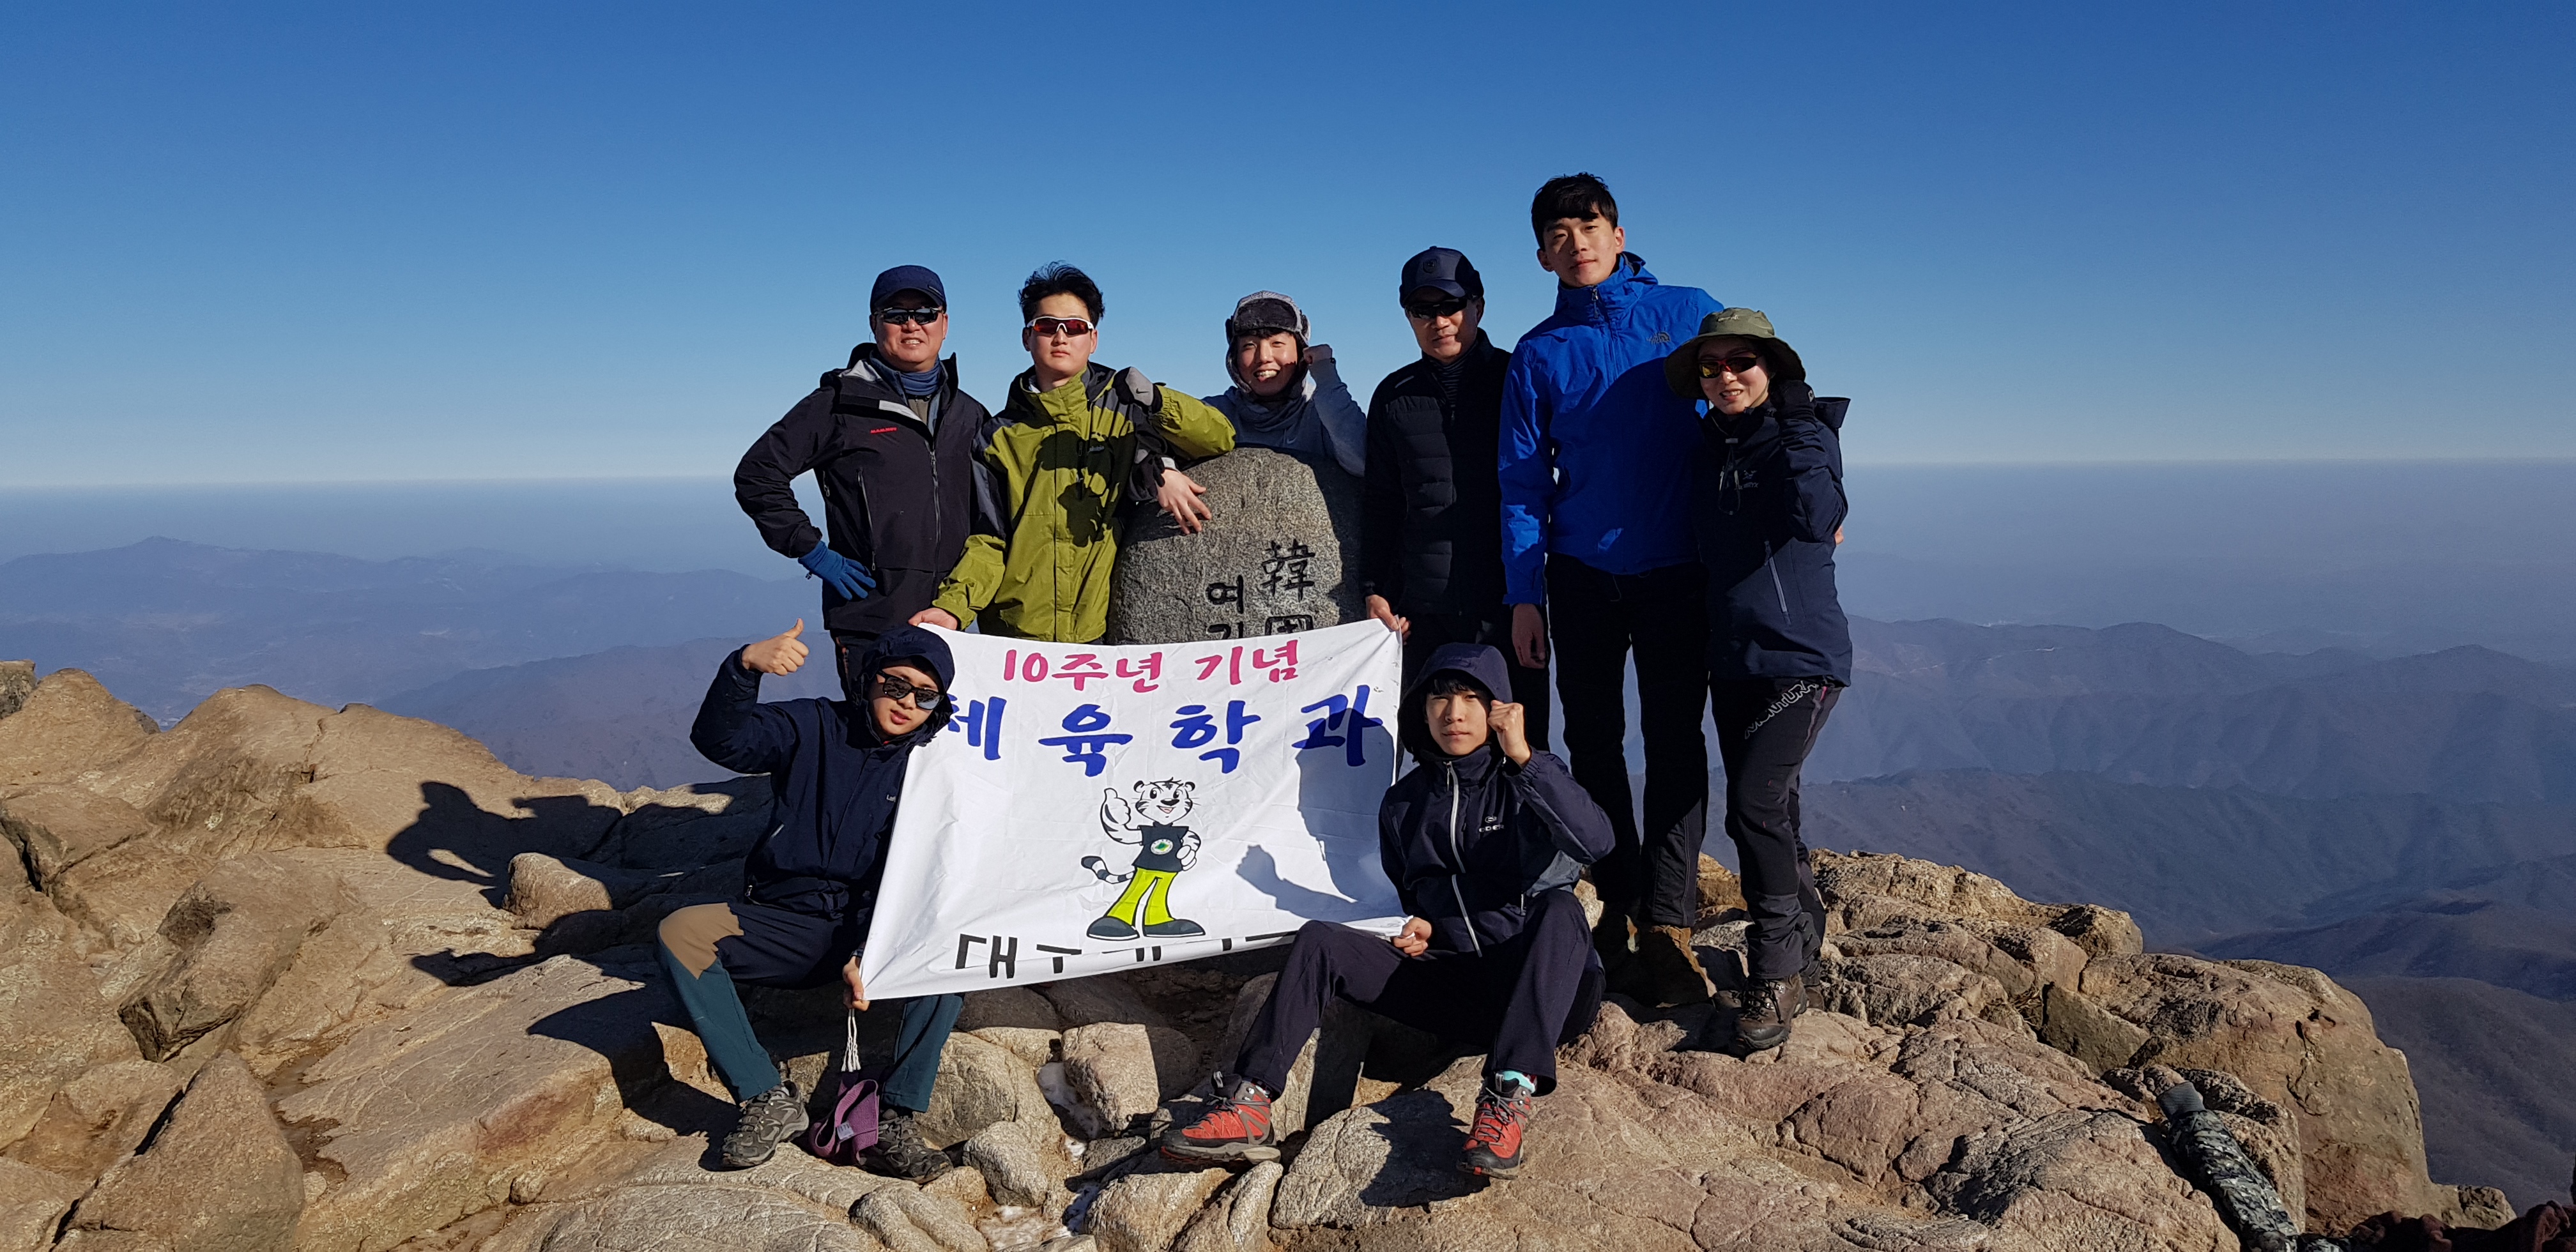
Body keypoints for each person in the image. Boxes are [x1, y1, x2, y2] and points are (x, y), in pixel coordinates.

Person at [1160, 643, 1611, 1180]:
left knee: (1560, 908)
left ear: (1499, 709)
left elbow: (1596, 841)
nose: (1454, 713)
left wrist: (1525, 759)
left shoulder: (1527, 779)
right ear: (1422, 711)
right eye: (1439, 700)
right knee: (1321, 940)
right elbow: (1415, 897)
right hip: (1463, 993)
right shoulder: (1403, 804)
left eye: (1472, 699)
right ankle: (1250, 1103)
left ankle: (1507, 1095)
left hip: (1547, 994)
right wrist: (1428, 930)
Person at [1496, 174, 1726, 1005]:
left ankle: (1668, 916)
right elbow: (1523, 482)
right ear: (1542, 256)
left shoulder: (1688, 312)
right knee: (1593, 741)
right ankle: (1619, 894)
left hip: (1677, 565)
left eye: (1589, 227)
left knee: (1674, 739)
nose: (1577, 243)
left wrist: (1817, 497)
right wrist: (1525, 594)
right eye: (1558, 235)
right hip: (1581, 573)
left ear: (1619, 235)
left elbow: (1763, 397)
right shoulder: (1539, 352)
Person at [656, 621, 965, 1177]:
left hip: (875, 935)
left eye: (925, 695)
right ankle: (766, 1097)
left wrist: (869, 946)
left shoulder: (937, 770)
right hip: (785, 923)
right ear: (869, 679)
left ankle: (894, 1116)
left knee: (953, 957)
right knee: (682, 932)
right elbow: (722, 742)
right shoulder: (813, 725)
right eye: (896, 684)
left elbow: (931, 877)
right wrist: (744, 668)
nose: (907, 702)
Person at [1662, 309, 1850, 1051]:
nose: (1725, 376)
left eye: (1742, 361)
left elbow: (1817, 516)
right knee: (1772, 808)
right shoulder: (1711, 446)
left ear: (1774, 368)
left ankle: (1775, 969)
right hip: (1734, 659)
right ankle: (1804, 938)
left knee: (1756, 803)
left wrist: (1801, 423)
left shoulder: (1802, 436)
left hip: (1801, 658)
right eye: (1711, 367)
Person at [912, 264, 1236, 641]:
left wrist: (1158, 405)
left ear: (1093, 339)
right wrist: (953, 608)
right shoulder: (997, 436)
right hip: (1016, 635)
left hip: (1100, 633)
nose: (1061, 337)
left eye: (1076, 327)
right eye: (1047, 326)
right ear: (1027, 337)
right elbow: (990, 540)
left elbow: (1219, 437)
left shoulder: (1125, 407)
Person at [732, 265, 988, 699]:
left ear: (944, 325)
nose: (912, 324)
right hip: (871, 618)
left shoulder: (969, 414)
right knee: (876, 734)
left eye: (926, 313)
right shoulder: (838, 405)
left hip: (951, 617)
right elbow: (758, 474)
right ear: (874, 324)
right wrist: (813, 552)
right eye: (896, 314)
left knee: (944, 736)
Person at [1358, 247, 1549, 749]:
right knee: (1434, 751)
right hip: (1425, 613)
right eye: (1422, 310)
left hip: (1507, 605)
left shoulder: (1516, 378)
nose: (1438, 321)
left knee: (1521, 749)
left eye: (1451, 306)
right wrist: (1375, 588)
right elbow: (1382, 501)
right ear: (1408, 317)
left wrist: (1532, 597)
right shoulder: (1394, 395)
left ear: (1478, 306)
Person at [1202, 291, 1366, 477]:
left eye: (1277, 344)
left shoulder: (1322, 413)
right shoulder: (1214, 414)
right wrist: (1172, 472)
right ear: (1235, 357)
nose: (1264, 357)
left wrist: (1327, 379)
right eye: (1249, 345)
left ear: (1301, 350)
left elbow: (1363, 463)